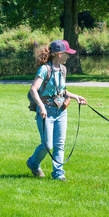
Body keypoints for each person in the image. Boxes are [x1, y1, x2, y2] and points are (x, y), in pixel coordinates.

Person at [26, 40, 87, 181]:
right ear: (59, 54)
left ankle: (59, 174)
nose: (69, 56)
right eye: (67, 53)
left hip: (60, 111)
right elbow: (33, 89)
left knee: (59, 144)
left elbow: (61, 91)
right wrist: (41, 106)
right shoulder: (44, 69)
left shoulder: (63, 70)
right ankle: (33, 163)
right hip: (45, 111)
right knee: (47, 145)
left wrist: (75, 96)